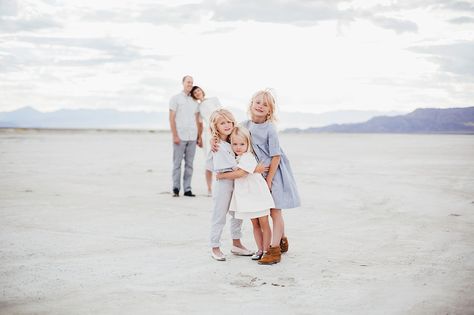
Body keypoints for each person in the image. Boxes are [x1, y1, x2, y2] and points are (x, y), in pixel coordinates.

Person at [241, 89, 301, 265]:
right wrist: (215, 140)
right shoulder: (244, 125)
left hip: (274, 172)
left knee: (275, 210)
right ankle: (282, 238)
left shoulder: (270, 129)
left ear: (270, 111)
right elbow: (230, 137)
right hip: (256, 173)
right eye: (258, 102)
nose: (260, 106)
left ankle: (274, 250)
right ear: (251, 104)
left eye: (265, 104)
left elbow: (276, 156)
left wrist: (269, 180)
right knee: (262, 210)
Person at [207, 109, 261, 261]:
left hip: (237, 183)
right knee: (219, 215)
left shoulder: (233, 140)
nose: (227, 125)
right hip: (223, 184)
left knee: (237, 214)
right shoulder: (217, 145)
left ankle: (236, 244)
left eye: (229, 122)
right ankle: (215, 246)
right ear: (215, 126)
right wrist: (249, 168)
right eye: (222, 123)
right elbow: (232, 168)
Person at [216, 126, 274, 262]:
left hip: (257, 195)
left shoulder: (248, 157)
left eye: (242, 144)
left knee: (264, 223)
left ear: (248, 144)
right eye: (235, 144)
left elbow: (240, 173)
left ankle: (266, 250)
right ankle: (259, 249)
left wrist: (222, 176)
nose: (238, 147)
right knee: (255, 224)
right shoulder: (236, 157)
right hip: (248, 198)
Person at [169, 75, 203, 197]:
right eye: (188, 82)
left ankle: (187, 189)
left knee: (189, 164)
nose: (190, 84)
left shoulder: (195, 101)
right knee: (177, 164)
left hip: (192, 137)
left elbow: (198, 120)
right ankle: (176, 188)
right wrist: (175, 135)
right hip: (180, 136)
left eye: (192, 82)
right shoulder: (175, 99)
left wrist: (199, 137)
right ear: (183, 83)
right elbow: (172, 118)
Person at [190, 86, 222, 196]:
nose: (197, 93)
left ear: (202, 91)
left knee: (222, 158)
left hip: (220, 130)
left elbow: (222, 113)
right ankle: (209, 189)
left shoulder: (214, 99)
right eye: (195, 93)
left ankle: (222, 186)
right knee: (209, 161)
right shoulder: (198, 108)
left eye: (198, 90)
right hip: (208, 134)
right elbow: (199, 124)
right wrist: (199, 138)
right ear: (194, 96)